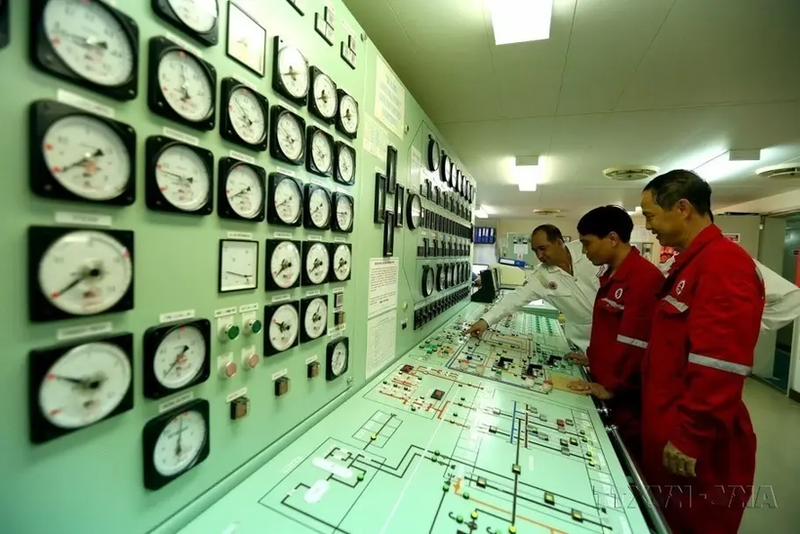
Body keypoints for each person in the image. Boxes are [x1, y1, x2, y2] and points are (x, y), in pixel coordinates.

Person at [639, 169, 764, 534]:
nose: (649, 227)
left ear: (681, 208)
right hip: (669, 433)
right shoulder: (689, 264)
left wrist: (690, 436)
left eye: (650, 216)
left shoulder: (724, 264)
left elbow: (720, 363)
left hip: (696, 454)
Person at [564, 206, 664, 460]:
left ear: (612, 238)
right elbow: (612, 333)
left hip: (625, 401)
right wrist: (592, 359)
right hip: (605, 384)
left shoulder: (643, 278)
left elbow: (637, 345)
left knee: (621, 459)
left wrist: (612, 389)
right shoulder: (611, 276)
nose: (584, 252)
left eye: (587, 244)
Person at [463, 224, 600, 352]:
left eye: (543, 248)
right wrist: (485, 321)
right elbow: (515, 299)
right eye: (535, 251)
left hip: (616, 333)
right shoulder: (540, 275)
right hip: (582, 342)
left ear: (559, 243)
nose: (539, 256)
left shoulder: (588, 251)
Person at [662, 254, 800, 332]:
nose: (650, 226)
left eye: (651, 216)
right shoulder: (672, 266)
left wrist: (738, 325)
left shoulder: (726, 259)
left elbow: (792, 298)